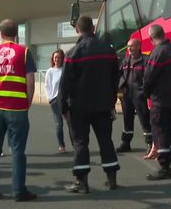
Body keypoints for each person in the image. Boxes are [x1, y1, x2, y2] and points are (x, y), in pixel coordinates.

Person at [60, 15, 120, 194]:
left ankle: (81, 183)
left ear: (78, 30)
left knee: (80, 143)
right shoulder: (108, 50)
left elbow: (65, 85)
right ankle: (112, 180)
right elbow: (115, 78)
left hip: (79, 107)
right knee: (106, 141)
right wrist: (111, 99)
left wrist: (63, 108)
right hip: (103, 105)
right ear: (93, 28)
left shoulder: (73, 53)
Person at [0, 19, 37, 202]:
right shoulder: (24, 51)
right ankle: (19, 191)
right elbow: (30, 81)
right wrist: (27, 102)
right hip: (17, 108)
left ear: (0, 34)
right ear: (16, 34)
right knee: (18, 150)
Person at [143, 24, 171, 180]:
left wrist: (146, 94)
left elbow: (148, 77)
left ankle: (164, 166)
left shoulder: (158, 52)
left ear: (152, 37)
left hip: (159, 98)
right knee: (168, 131)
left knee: (160, 132)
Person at [116, 38, 152, 155]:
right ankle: (125, 143)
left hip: (140, 95)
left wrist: (144, 91)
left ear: (138, 47)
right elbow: (120, 74)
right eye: (128, 46)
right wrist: (122, 85)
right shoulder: (126, 61)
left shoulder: (145, 60)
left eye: (132, 46)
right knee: (127, 119)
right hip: (127, 95)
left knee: (144, 119)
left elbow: (149, 77)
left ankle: (150, 144)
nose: (129, 49)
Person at [45, 49, 67, 154]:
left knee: (72, 123)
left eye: (58, 57)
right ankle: (61, 145)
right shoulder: (50, 71)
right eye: (55, 57)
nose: (56, 59)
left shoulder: (65, 70)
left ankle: (76, 145)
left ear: (62, 58)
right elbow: (47, 86)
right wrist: (49, 97)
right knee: (59, 124)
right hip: (55, 100)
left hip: (66, 100)